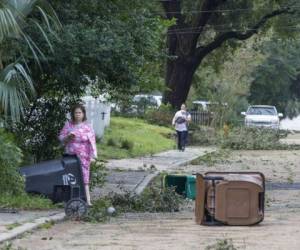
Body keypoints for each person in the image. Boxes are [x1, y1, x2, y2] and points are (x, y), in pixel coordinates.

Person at [59, 104, 97, 206]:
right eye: (76, 113)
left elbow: (92, 141)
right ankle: (67, 200)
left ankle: (88, 200)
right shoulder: (68, 125)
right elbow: (61, 137)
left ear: (83, 114)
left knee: (85, 177)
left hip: (84, 156)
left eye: (80, 112)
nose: (78, 114)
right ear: (73, 114)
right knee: (70, 176)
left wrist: (92, 156)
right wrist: (68, 137)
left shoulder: (88, 126)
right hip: (70, 155)